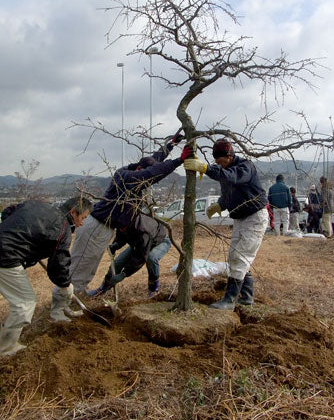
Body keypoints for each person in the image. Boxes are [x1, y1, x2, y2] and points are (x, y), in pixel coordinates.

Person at [51, 132, 192, 310]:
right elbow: (152, 172)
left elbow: (154, 161)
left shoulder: (135, 172)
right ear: (140, 171)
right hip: (97, 228)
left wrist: (170, 145)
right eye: (145, 179)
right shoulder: (126, 177)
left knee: (88, 267)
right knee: (79, 267)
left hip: (103, 229)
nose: (146, 185)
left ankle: (76, 296)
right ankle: (60, 308)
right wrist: (178, 161)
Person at [0, 196, 92, 357]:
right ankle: (6, 348)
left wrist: (16, 235)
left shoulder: (38, 204)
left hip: (5, 249)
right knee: (25, 302)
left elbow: (8, 211)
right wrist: (65, 285)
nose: (82, 223)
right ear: (73, 212)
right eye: (83, 218)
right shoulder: (62, 228)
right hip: (6, 256)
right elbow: (58, 266)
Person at [184, 138, 268, 311]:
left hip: (254, 218)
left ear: (230, 156)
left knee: (241, 257)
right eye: (216, 162)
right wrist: (220, 204)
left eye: (221, 161)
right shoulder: (226, 169)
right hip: (240, 218)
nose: (219, 164)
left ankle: (230, 300)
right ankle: (246, 297)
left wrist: (206, 168)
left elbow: (233, 178)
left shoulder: (245, 167)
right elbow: (230, 192)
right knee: (234, 257)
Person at [89, 213, 171, 298]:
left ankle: (153, 289)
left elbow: (140, 257)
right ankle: (103, 289)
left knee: (151, 258)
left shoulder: (143, 231)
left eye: (122, 228)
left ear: (129, 224)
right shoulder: (123, 221)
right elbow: (121, 236)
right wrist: (116, 244)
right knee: (117, 263)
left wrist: (124, 274)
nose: (121, 230)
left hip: (160, 241)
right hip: (139, 243)